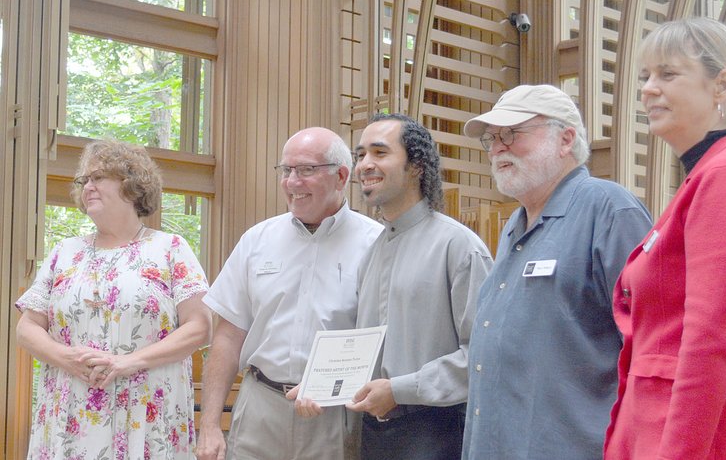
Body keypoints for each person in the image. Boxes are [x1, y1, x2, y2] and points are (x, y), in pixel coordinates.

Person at [604, 18, 726, 459]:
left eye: (668, 74)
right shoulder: (711, 176)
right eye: (645, 76)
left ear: (720, 86)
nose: (649, 88)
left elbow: (710, 343)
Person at [459, 84, 652, 459]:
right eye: (492, 138)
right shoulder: (514, 225)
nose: (498, 147)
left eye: (512, 134)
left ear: (565, 139)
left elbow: (652, 346)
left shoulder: (609, 210)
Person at [195, 127, 383, 460]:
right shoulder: (257, 240)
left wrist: (328, 387)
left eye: (306, 170)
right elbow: (228, 336)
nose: (292, 181)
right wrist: (209, 425)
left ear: (341, 176)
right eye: (286, 170)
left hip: (334, 414)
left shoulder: (376, 244)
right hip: (259, 408)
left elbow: (380, 339)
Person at [16, 140, 211, 459]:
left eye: (99, 177)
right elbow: (26, 328)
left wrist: (126, 363)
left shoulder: (171, 249)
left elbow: (200, 328)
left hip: (146, 413)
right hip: (72, 412)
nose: (88, 186)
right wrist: (67, 358)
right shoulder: (64, 253)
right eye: (84, 180)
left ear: (133, 185)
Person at [346, 113, 493, 459]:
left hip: (436, 431)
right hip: (372, 433)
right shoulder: (371, 253)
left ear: (417, 166)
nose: (365, 164)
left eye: (380, 153)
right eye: (360, 155)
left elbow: (483, 356)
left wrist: (401, 389)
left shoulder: (459, 247)